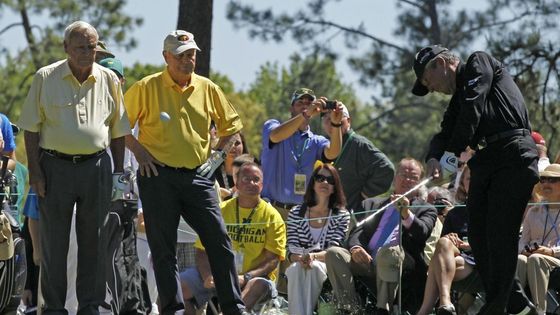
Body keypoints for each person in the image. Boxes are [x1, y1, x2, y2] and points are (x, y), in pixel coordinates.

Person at [123, 30, 246, 314]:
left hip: (198, 177)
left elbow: (232, 127)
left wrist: (216, 159)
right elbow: (119, 125)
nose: (187, 60)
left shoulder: (208, 87)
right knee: (163, 249)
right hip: (157, 176)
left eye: (191, 54)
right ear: (166, 57)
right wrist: (140, 153)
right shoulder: (146, 87)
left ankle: (233, 307)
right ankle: (173, 309)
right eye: (180, 55)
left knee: (219, 241)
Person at [412, 45, 539, 314]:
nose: (431, 88)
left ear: (442, 63)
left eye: (427, 80)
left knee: (499, 234)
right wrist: (434, 157)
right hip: (487, 160)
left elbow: (474, 107)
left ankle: (497, 306)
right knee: (479, 237)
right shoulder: (458, 100)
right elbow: (445, 132)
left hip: (513, 154)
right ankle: (515, 301)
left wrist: (452, 153)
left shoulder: (478, 63)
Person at [18, 20, 130, 314]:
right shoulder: (46, 77)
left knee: (94, 243)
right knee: (54, 245)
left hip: (97, 167)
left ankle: (90, 307)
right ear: (66, 48)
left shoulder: (108, 78)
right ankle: (54, 309)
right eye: (80, 47)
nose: (86, 52)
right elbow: (31, 128)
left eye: (91, 47)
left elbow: (118, 131)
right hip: (55, 167)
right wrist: (36, 172)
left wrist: (118, 174)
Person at [325, 158, 437, 314]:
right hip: (368, 260)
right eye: (404, 175)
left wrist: (405, 213)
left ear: (419, 182)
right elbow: (357, 231)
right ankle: (349, 308)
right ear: (395, 177)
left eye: (413, 177)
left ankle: (383, 309)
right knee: (334, 253)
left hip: (401, 262)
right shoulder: (371, 204)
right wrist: (356, 248)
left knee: (389, 251)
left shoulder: (427, 209)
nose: (407, 180)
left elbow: (422, 233)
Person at [180, 162, 286, 314]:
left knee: (253, 289)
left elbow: (272, 260)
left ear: (262, 185)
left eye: (256, 179)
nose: (251, 183)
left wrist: (246, 277)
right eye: (246, 178)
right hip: (218, 274)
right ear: (236, 182)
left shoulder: (273, 216)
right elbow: (202, 252)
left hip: (255, 278)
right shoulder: (219, 211)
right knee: (178, 288)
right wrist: (207, 275)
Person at [261, 88, 342, 218]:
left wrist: (336, 124)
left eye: (309, 103)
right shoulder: (273, 125)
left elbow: (333, 153)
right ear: (291, 108)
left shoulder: (316, 140)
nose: (305, 107)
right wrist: (305, 114)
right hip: (271, 209)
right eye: (300, 103)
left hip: (300, 213)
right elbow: (275, 136)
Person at [285, 163, 350, 315]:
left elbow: (334, 250)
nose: (325, 182)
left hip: (327, 264)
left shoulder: (341, 215)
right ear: (313, 183)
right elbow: (291, 247)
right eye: (320, 178)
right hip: (300, 262)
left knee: (314, 267)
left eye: (330, 180)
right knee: (294, 270)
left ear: (335, 187)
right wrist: (301, 259)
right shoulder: (296, 213)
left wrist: (312, 257)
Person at [320, 103, 394, 221]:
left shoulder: (358, 144)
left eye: (338, 117)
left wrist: (364, 194)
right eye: (327, 119)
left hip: (350, 215)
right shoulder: (324, 144)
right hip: (326, 215)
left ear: (348, 121)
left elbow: (386, 169)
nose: (333, 122)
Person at [517, 164, 560, 315]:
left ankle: (539, 311)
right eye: (543, 180)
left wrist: (551, 251)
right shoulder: (533, 211)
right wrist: (524, 250)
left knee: (536, 259)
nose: (546, 184)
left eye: (552, 180)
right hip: (536, 259)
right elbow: (523, 241)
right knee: (520, 259)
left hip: (555, 259)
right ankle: (519, 309)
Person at [215, 133, 249, 199]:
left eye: (237, 143)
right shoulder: (211, 171)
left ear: (243, 145)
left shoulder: (251, 171)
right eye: (228, 143)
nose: (233, 146)